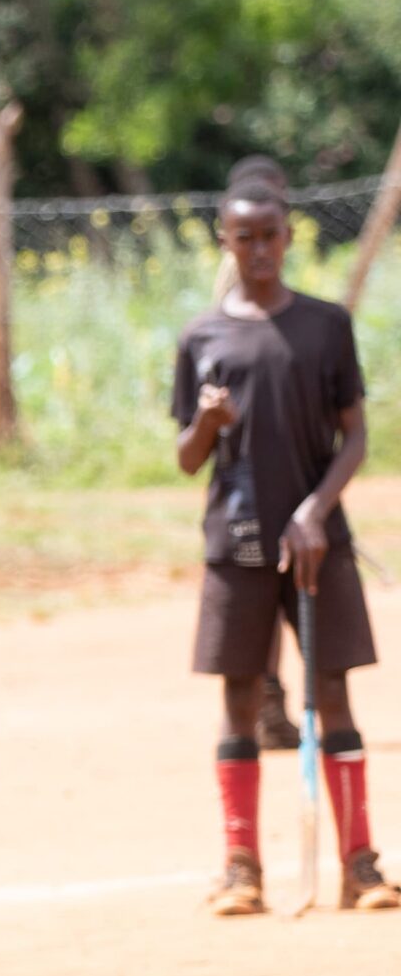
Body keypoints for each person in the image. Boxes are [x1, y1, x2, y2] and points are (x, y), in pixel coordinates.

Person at [175, 178, 393, 913]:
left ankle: (360, 865)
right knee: (240, 698)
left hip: (316, 546)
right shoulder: (203, 337)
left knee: (331, 691)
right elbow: (186, 457)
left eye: (271, 235)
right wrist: (209, 422)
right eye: (246, 238)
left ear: (289, 237)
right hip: (235, 544)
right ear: (224, 241)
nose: (260, 250)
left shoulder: (325, 326)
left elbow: (355, 436)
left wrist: (315, 511)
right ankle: (242, 867)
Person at [215, 156, 304, 752]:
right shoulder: (228, 293)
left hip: (295, 469)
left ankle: (280, 698)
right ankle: (267, 699)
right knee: (257, 598)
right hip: (246, 480)